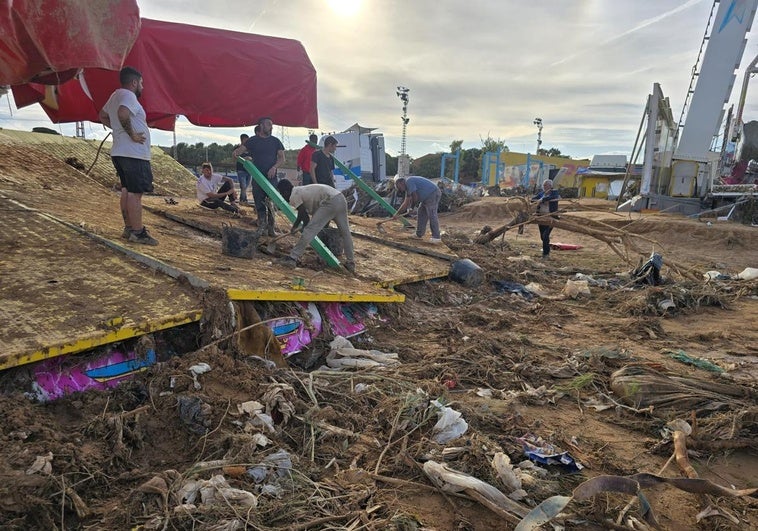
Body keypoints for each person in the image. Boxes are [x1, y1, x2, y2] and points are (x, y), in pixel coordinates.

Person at [99, 66, 157, 245]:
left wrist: (118, 130)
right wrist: (131, 134)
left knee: (126, 190)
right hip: (133, 154)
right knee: (135, 193)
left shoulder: (115, 95)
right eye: (141, 83)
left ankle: (129, 228)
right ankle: (138, 232)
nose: (142, 87)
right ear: (134, 82)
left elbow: (102, 115)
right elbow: (122, 113)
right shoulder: (128, 96)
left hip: (121, 152)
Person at [275, 180, 355, 274]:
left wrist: (298, 227)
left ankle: (292, 258)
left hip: (329, 201)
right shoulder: (300, 190)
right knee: (345, 233)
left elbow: (304, 217)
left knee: (309, 230)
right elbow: (304, 215)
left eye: (281, 194)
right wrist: (297, 226)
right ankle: (350, 262)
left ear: (285, 191)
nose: (283, 197)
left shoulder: (294, 195)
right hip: (340, 199)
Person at [232, 117, 285, 235]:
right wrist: (238, 155)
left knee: (271, 203)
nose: (271, 127)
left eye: (272, 125)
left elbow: (282, 158)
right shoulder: (253, 141)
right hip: (257, 177)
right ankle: (262, 227)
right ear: (261, 125)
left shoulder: (276, 141)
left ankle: (271, 229)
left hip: (271, 178)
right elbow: (238, 152)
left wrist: (274, 167)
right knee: (259, 202)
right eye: (269, 124)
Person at [392, 176, 442, 243]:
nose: (400, 190)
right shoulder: (408, 187)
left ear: (401, 183)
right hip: (426, 198)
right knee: (421, 213)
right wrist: (397, 214)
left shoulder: (409, 181)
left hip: (433, 193)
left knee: (432, 214)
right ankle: (419, 234)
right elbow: (406, 202)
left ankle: (436, 237)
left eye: (399, 187)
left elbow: (415, 197)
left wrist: (411, 208)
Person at [531, 179, 560, 259]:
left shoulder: (554, 192)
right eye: (543, 185)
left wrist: (542, 199)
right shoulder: (542, 193)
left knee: (545, 235)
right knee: (542, 236)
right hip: (541, 217)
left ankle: (546, 254)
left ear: (550, 186)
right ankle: (546, 249)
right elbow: (534, 198)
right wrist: (533, 200)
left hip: (551, 217)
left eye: (545, 185)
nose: (544, 187)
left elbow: (552, 197)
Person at [235, 134, 252, 204]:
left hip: (249, 170)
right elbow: (235, 157)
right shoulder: (238, 149)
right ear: (242, 140)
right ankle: (243, 200)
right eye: (246, 140)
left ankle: (243, 198)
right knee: (243, 186)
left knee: (246, 186)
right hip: (241, 170)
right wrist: (245, 159)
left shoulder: (250, 149)